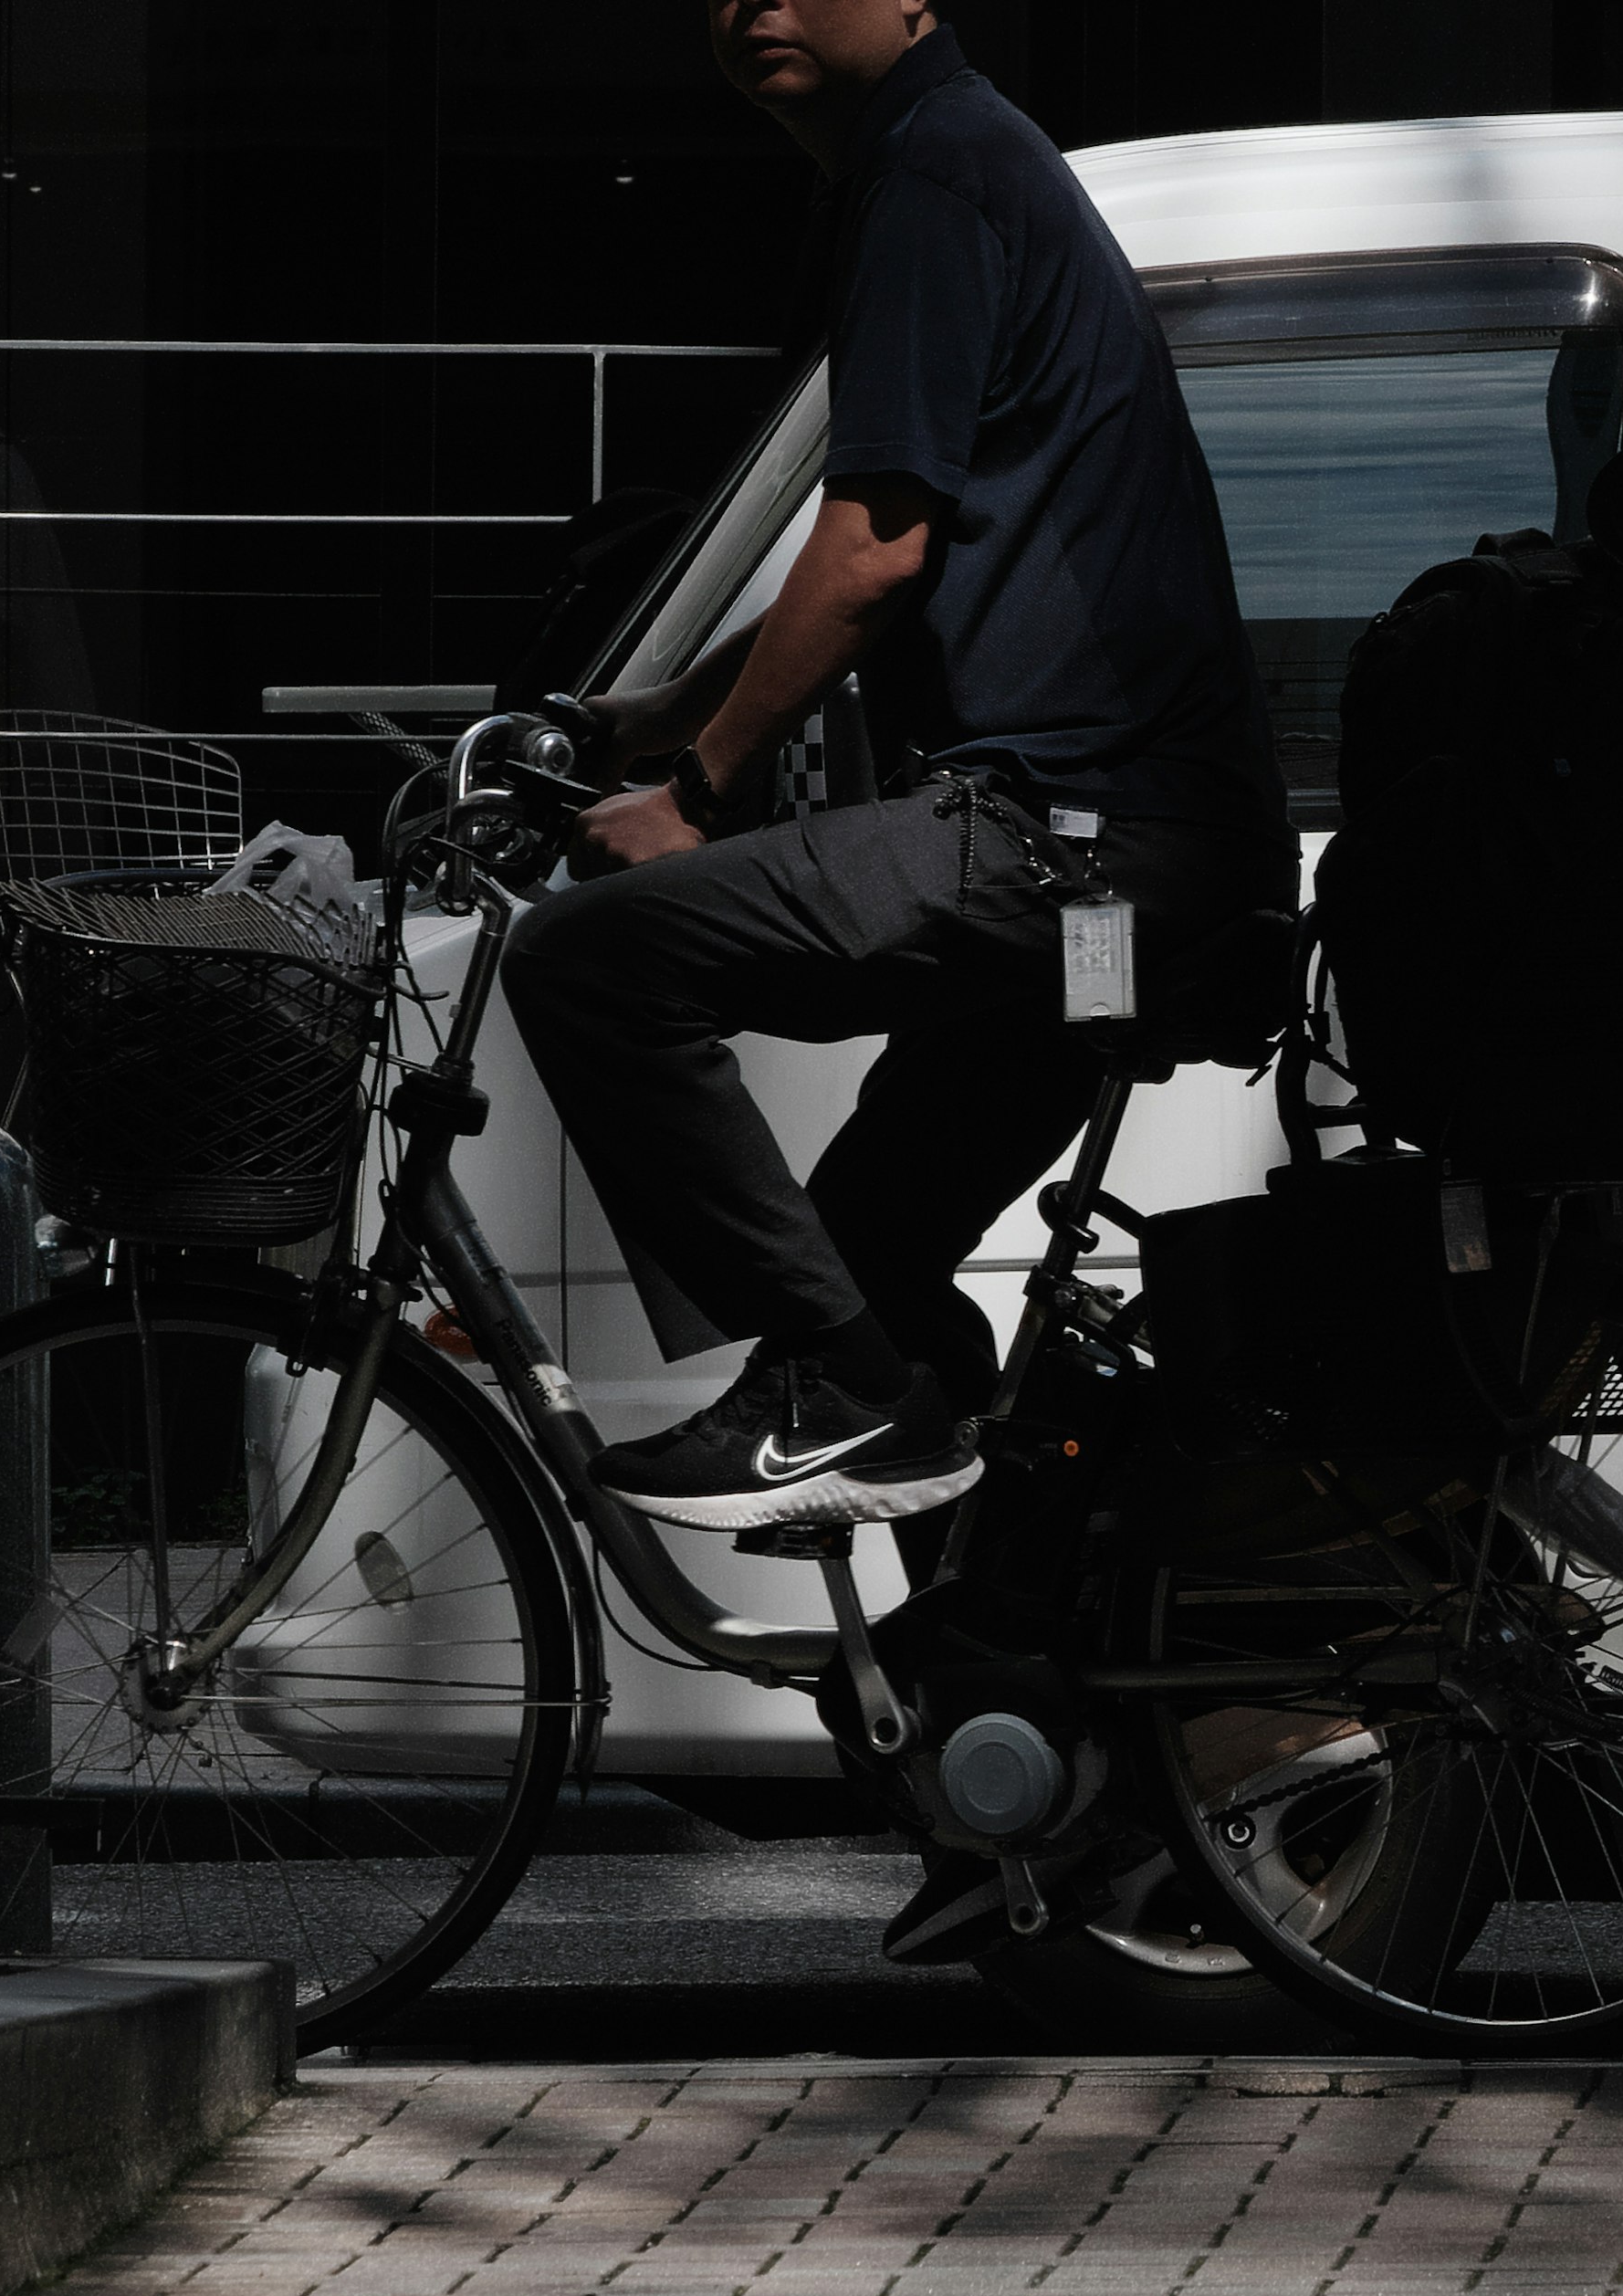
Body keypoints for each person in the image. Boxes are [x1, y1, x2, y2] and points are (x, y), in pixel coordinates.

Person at [501, 0, 1294, 1548]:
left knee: (588, 962)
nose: (753, 8)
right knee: (865, 1294)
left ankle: (847, 1396)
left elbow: (870, 556)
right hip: (1123, 867)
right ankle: (1020, 1701)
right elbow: (883, 578)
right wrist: (648, 722)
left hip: (1073, 845)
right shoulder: (947, 160)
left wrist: (700, 799)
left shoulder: (930, 174)